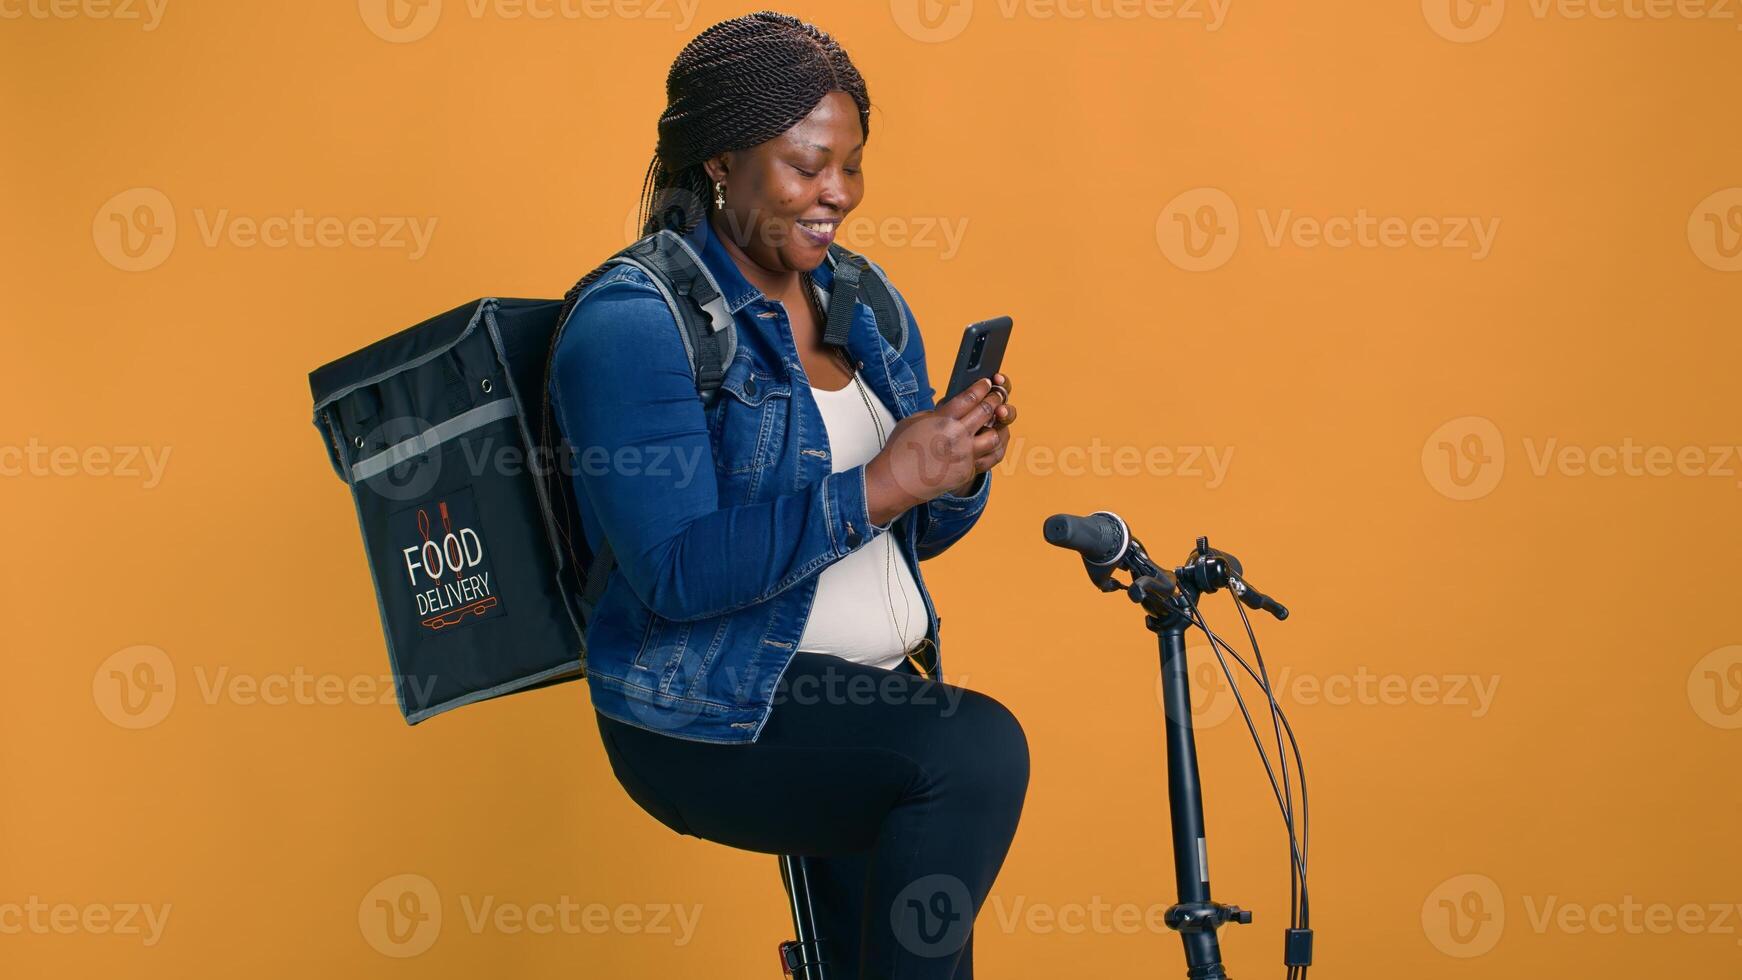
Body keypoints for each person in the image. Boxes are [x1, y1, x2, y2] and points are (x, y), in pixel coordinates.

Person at [548, 12, 1027, 978]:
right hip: (705, 708)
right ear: (722, 161)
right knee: (971, 753)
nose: (837, 195)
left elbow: (907, 535)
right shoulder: (630, 321)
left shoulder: (860, 298)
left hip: (863, 695)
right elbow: (674, 572)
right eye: (809, 166)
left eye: (852, 165)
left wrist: (953, 470)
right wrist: (883, 483)